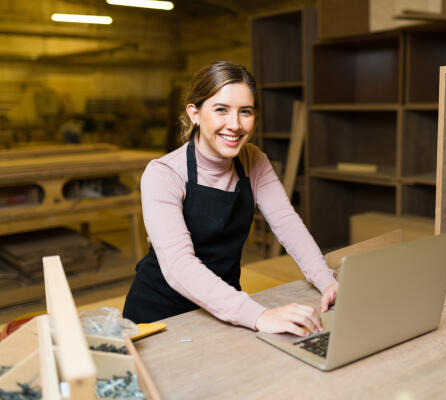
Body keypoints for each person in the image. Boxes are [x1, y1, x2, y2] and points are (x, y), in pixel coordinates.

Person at [123, 61, 338, 337]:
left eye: (245, 112)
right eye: (221, 110)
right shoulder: (163, 174)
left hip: (224, 308)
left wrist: (326, 280)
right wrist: (258, 314)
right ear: (195, 113)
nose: (235, 125)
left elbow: (287, 222)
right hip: (161, 316)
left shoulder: (254, 160)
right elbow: (179, 266)